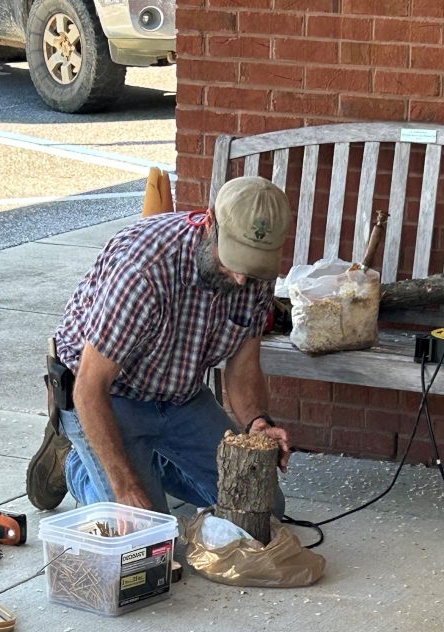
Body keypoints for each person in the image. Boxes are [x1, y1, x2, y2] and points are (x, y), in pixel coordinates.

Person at [26, 176, 293, 517]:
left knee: (263, 507)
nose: (242, 279)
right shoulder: (143, 271)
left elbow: (244, 366)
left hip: (179, 394)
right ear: (208, 223)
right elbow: (90, 387)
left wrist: (257, 421)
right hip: (108, 396)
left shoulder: (255, 271)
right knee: (144, 531)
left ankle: (147, 462)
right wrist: (125, 486)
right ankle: (74, 462)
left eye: (252, 267)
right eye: (233, 259)